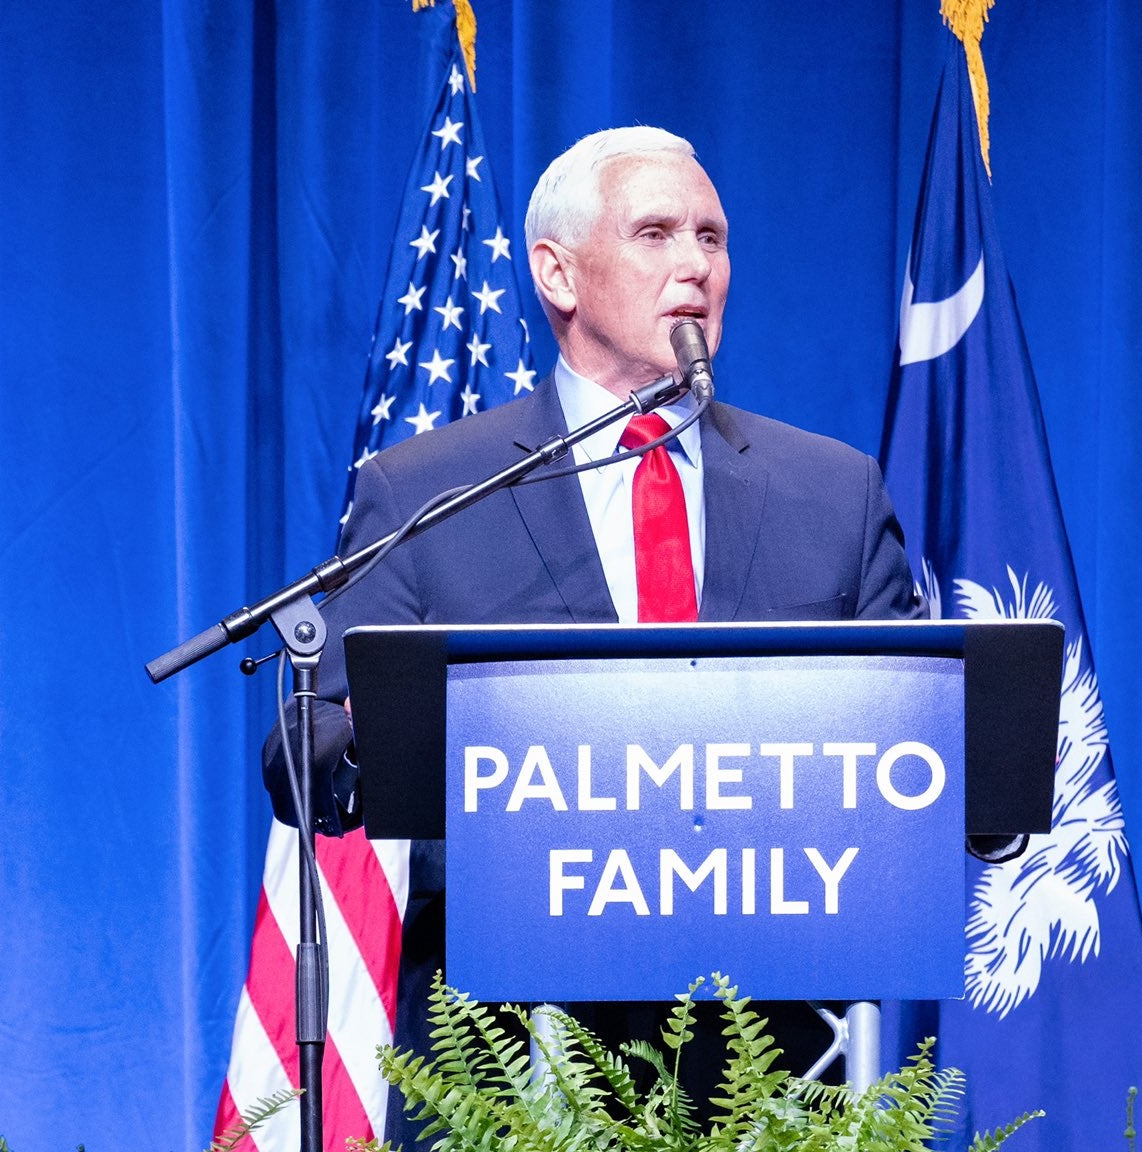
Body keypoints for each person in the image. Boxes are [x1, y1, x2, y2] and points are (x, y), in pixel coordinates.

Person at [262, 125, 921, 1141]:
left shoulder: (831, 492)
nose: (695, 265)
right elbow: (313, 745)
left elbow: (923, 730)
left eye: (711, 236)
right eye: (655, 233)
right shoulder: (429, 491)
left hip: (779, 1061)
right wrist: (355, 735)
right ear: (556, 274)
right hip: (501, 1060)